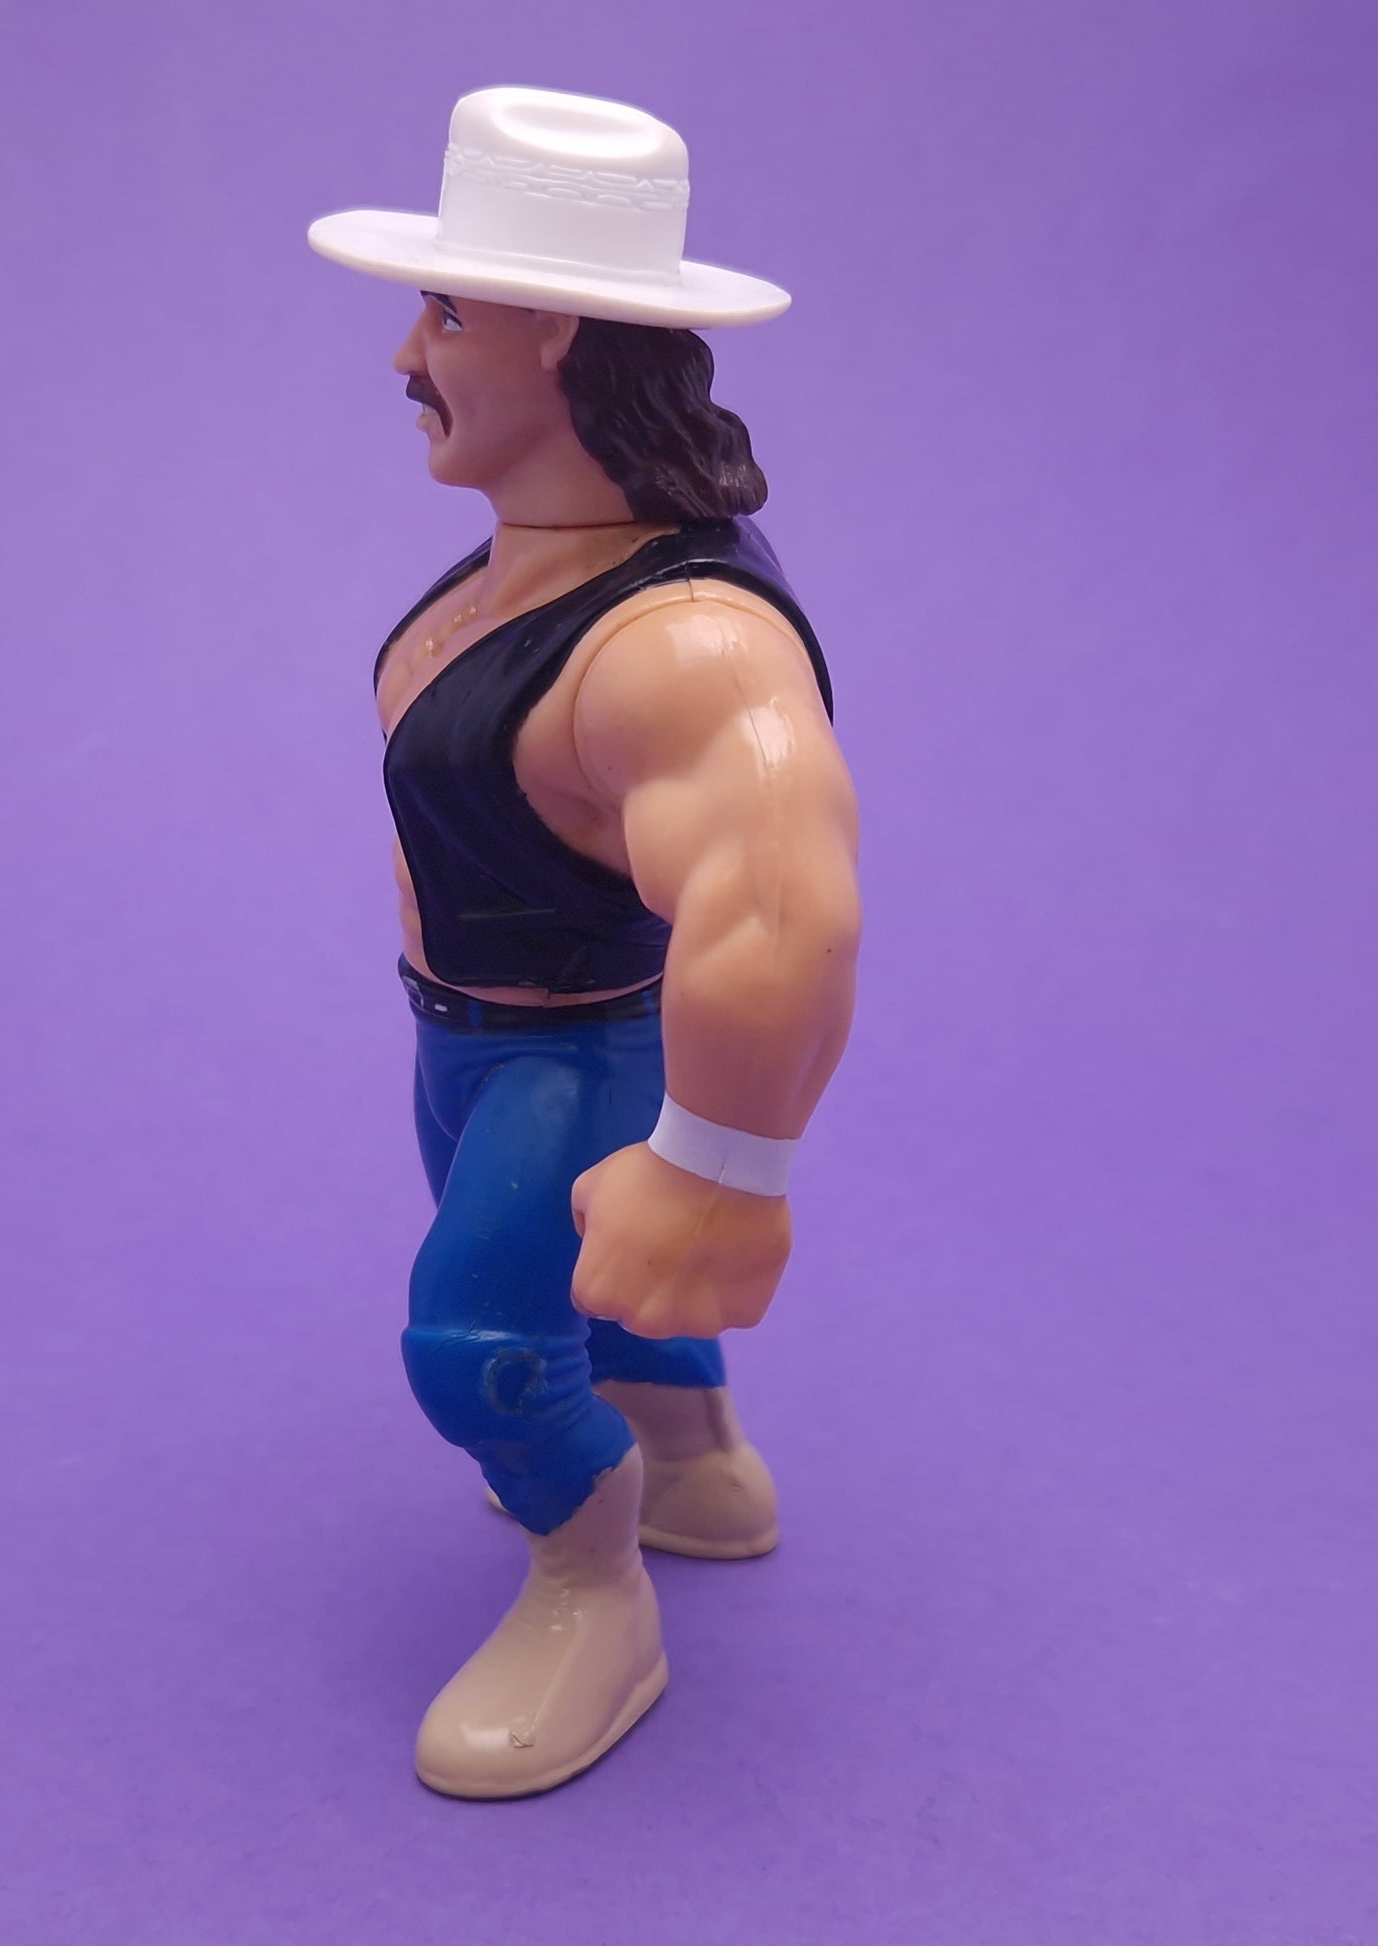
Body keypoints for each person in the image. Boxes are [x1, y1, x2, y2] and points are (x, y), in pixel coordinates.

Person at [309, 86, 861, 1798]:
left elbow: (779, 906)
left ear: (555, 337)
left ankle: (590, 1585)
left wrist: (717, 1167)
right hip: (465, 1035)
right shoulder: (542, 562)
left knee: (476, 1342)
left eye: (446, 313)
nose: (407, 353)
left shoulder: (680, 642)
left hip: (574, 1047)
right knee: (580, 1284)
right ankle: (694, 1465)